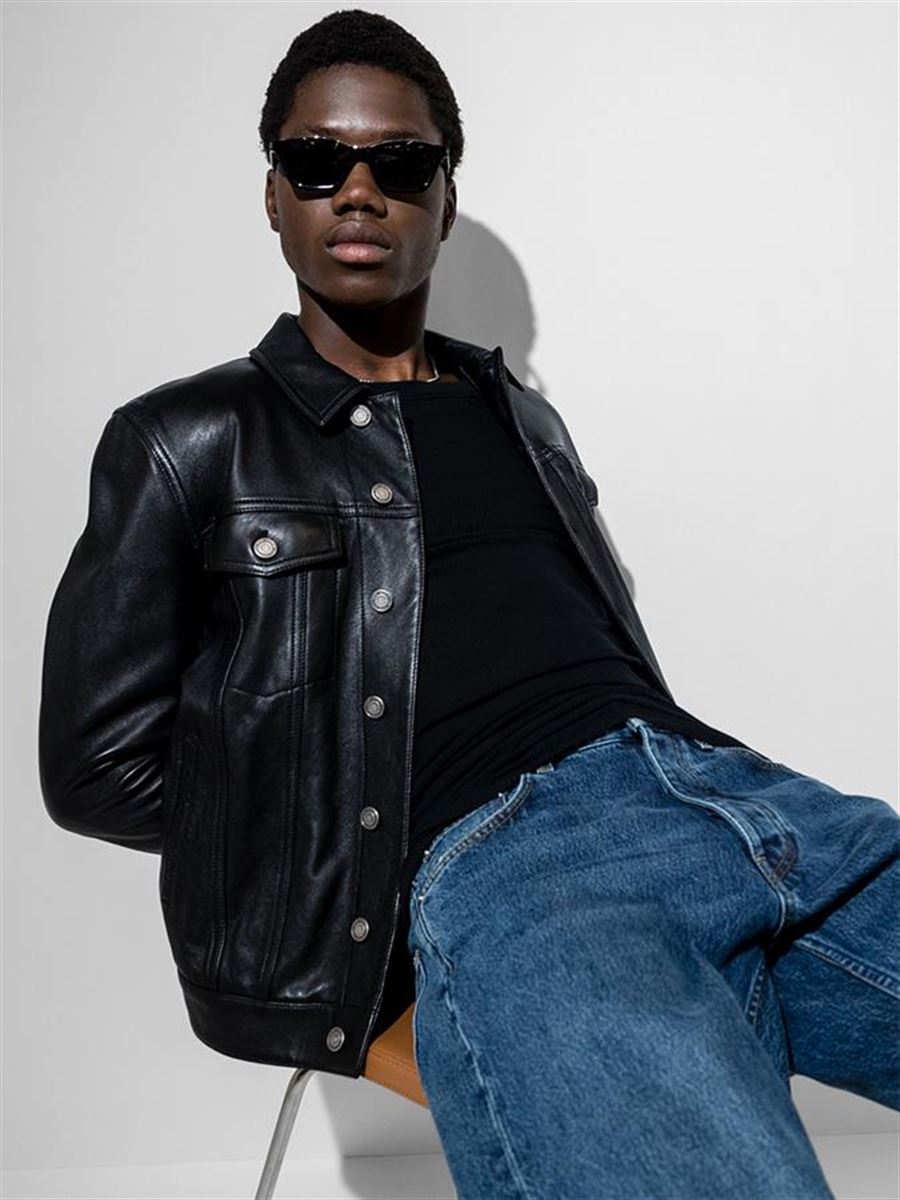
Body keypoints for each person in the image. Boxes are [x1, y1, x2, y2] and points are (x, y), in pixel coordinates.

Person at [38, 8, 898, 1198]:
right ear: (273, 194)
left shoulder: (525, 418)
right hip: (522, 865)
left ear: (444, 199)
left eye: (402, 163)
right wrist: (361, 848)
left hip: (744, 800)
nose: (358, 189)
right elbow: (96, 769)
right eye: (316, 160)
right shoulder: (187, 438)